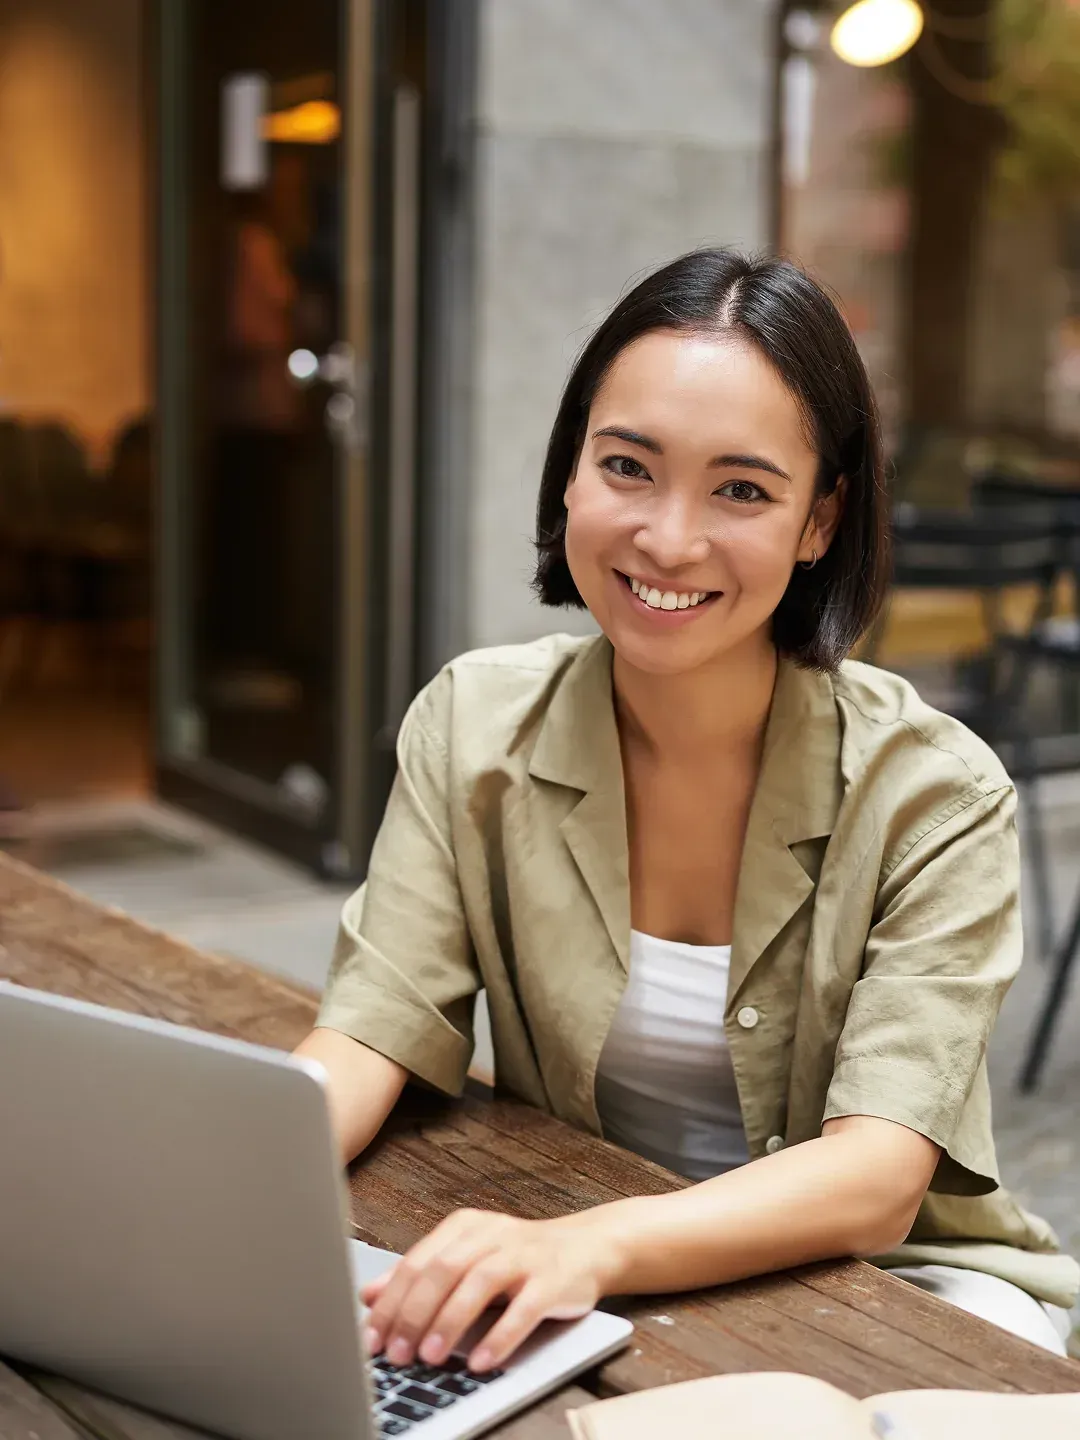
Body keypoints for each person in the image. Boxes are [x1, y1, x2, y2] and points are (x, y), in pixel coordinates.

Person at [294, 250, 1079, 1372]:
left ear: (820, 520)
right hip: (582, 1247)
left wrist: (585, 1247)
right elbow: (372, 1027)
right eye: (628, 467)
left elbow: (876, 1180)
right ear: (571, 471)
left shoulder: (934, 793)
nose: (669, 539)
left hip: (895, 1283)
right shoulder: (472, 724)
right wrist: (232, 1179)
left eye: (742, 490)